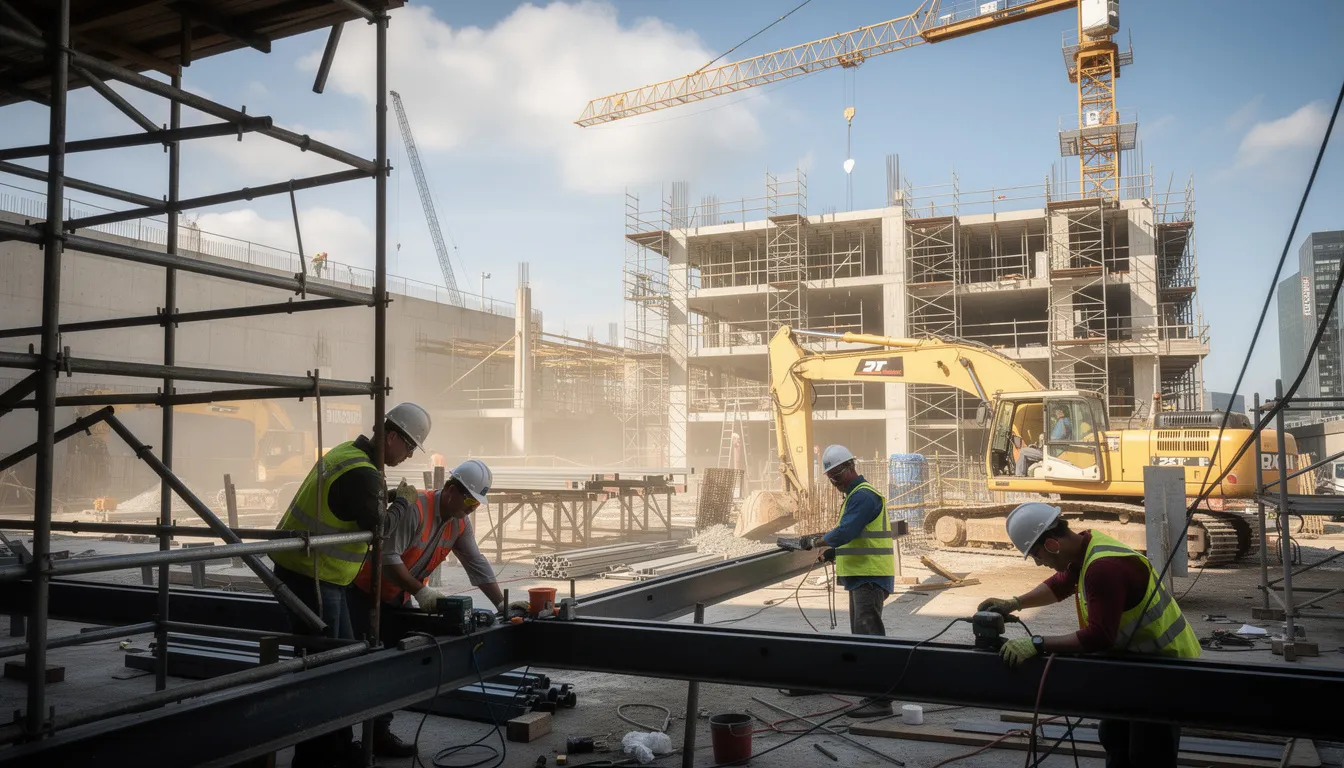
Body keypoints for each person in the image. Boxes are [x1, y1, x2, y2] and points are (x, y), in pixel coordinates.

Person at [268, 401, 431, 768]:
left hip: (311, 572)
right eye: (409, 447)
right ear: (392, 437)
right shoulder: (364, 473)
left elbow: (352, 505)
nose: (408, 456)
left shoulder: (347, 454)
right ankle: (315, 756)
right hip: (312, 576)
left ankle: (336, 748)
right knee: (325, 669)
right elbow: (380, 531)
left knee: (340, 662)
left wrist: (386, 497)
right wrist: (403, 503)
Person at [979, 502, 1201, 768]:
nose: (1038, 563)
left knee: (1148, 754)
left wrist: (1037, 643)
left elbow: (1099, 636)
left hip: (1164, 665)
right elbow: (1062, 583)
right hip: (1131, 661)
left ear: (1052, 544)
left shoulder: (1103, 568)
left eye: (1037, 555)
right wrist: (1014, 603)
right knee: (1114, 737)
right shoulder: (1087, 546)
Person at [348, 459, 518, 757]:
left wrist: (501, 604)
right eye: (469, 501)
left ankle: (379, 735)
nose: (471, 509)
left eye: (475, 505)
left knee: (391, 668)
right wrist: (421, 591)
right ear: (451, 490)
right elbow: (387, 558)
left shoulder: (459, 523)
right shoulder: (416, 508)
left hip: (398, 599)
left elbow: (476, 563)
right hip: (363, 596)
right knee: (357, 670)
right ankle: (340, 745)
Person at [791, 444, 896, 717]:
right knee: (862, 637)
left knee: (870, 638)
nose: (835, 482)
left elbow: (846, 531)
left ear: (851, 466)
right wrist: (834, 553)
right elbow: (860, 536)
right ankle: (868, 690)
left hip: (869, 576)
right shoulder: (855, 496)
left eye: (837, 475)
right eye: (830, 478)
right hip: (862, 576)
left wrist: (815, 542)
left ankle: (881, 701)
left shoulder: (863, 495)